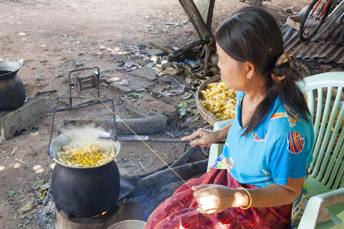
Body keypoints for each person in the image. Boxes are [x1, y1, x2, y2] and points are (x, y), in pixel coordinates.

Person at [145, 6, 314, 229]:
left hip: (260, 204)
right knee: (161, 218)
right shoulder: (248, 91)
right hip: (231, 178)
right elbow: (246, 125)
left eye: (223, 59)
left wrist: (235, 197)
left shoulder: (286, 130)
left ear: (249, 68)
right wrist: (217, 134)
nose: (218, 64)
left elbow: (289, 191)